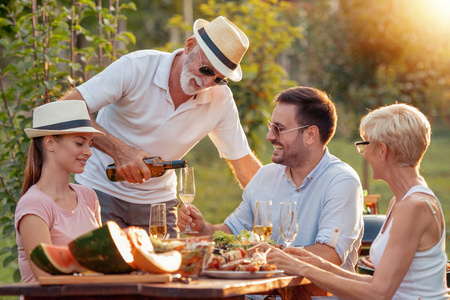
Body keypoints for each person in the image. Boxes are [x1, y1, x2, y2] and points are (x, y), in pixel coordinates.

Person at [62, 16, 262, 238]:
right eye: (206, 70)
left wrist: (279, 203)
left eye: (219, 79)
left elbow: (243, 164)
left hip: (158, 203)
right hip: (100, 191)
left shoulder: (220, 100)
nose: (206, 83)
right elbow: (68, 107)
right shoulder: (138, 67)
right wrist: (118, 150)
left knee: (168, 270)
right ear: (189, 46)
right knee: (103, 271)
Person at [261, 103, 449, 299]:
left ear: (382, 151)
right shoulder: (402, 201)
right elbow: (377, 283)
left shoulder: (414, 206)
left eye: (365, 144)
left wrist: (303, 269)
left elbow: (378, 294)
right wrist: (316, 263)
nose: (363, 153)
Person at [178, 86, 364, 271]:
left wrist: (268, 255)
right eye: (270, 126)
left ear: (310, 135)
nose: (269, 136)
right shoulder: (265, 176)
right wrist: (203, 229)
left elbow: (329, 256)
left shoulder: (341, 182)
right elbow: (232, 232)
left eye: (279, 129)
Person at [15, 101, 104, 282]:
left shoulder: (88, 196)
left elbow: (104, 261)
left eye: (90, 144)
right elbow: (48, 279)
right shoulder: (34, 204)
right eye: (79, 143)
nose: (88, 152)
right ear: (50, 143)